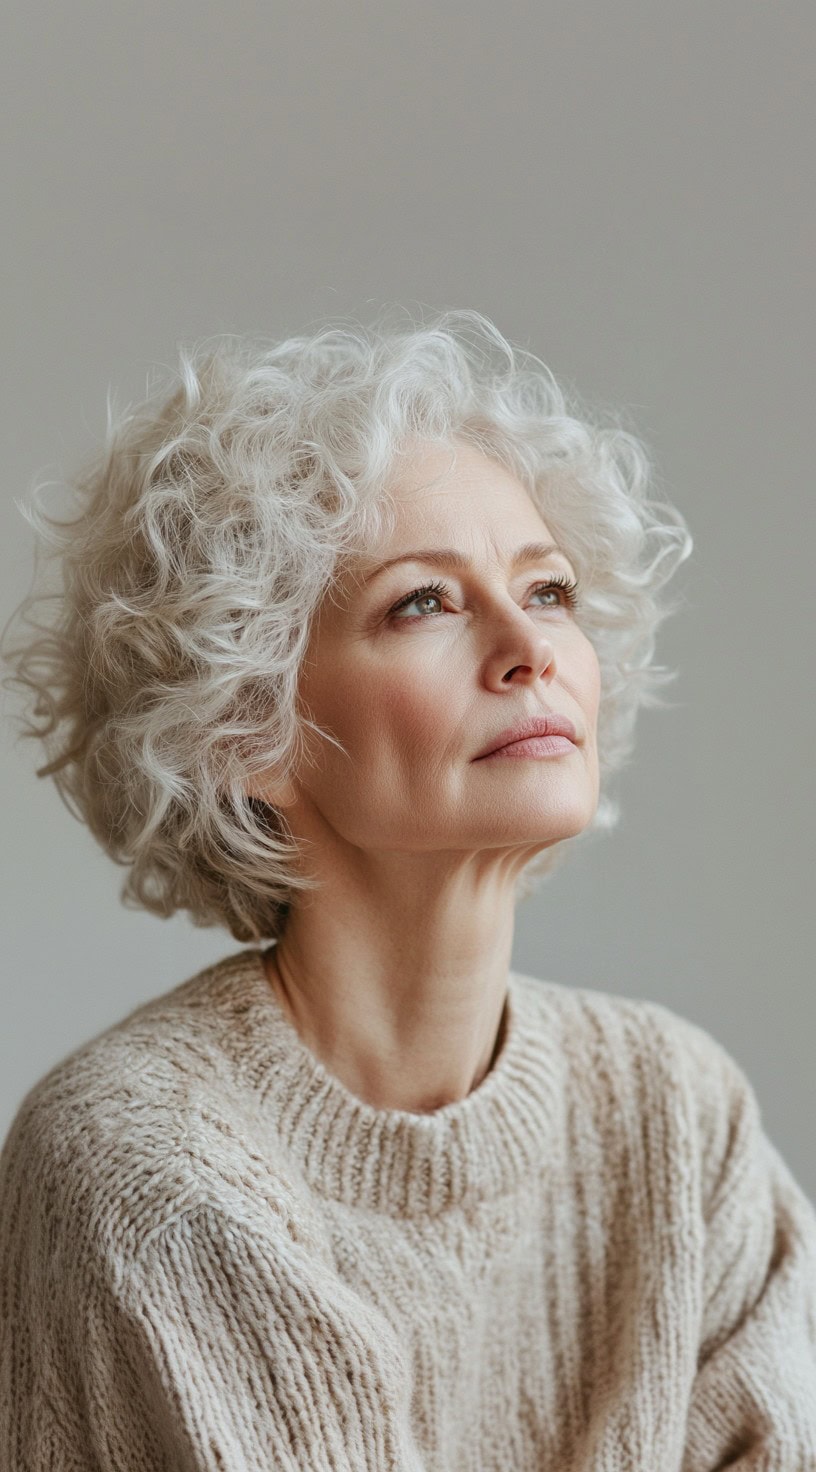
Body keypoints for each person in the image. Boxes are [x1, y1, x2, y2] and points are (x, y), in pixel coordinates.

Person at [1, 308, 814, 1469]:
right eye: (423, 601)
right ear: (246, 728)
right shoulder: (144, 1163)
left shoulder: (680, 1117)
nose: (527, 646)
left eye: (548, 590)